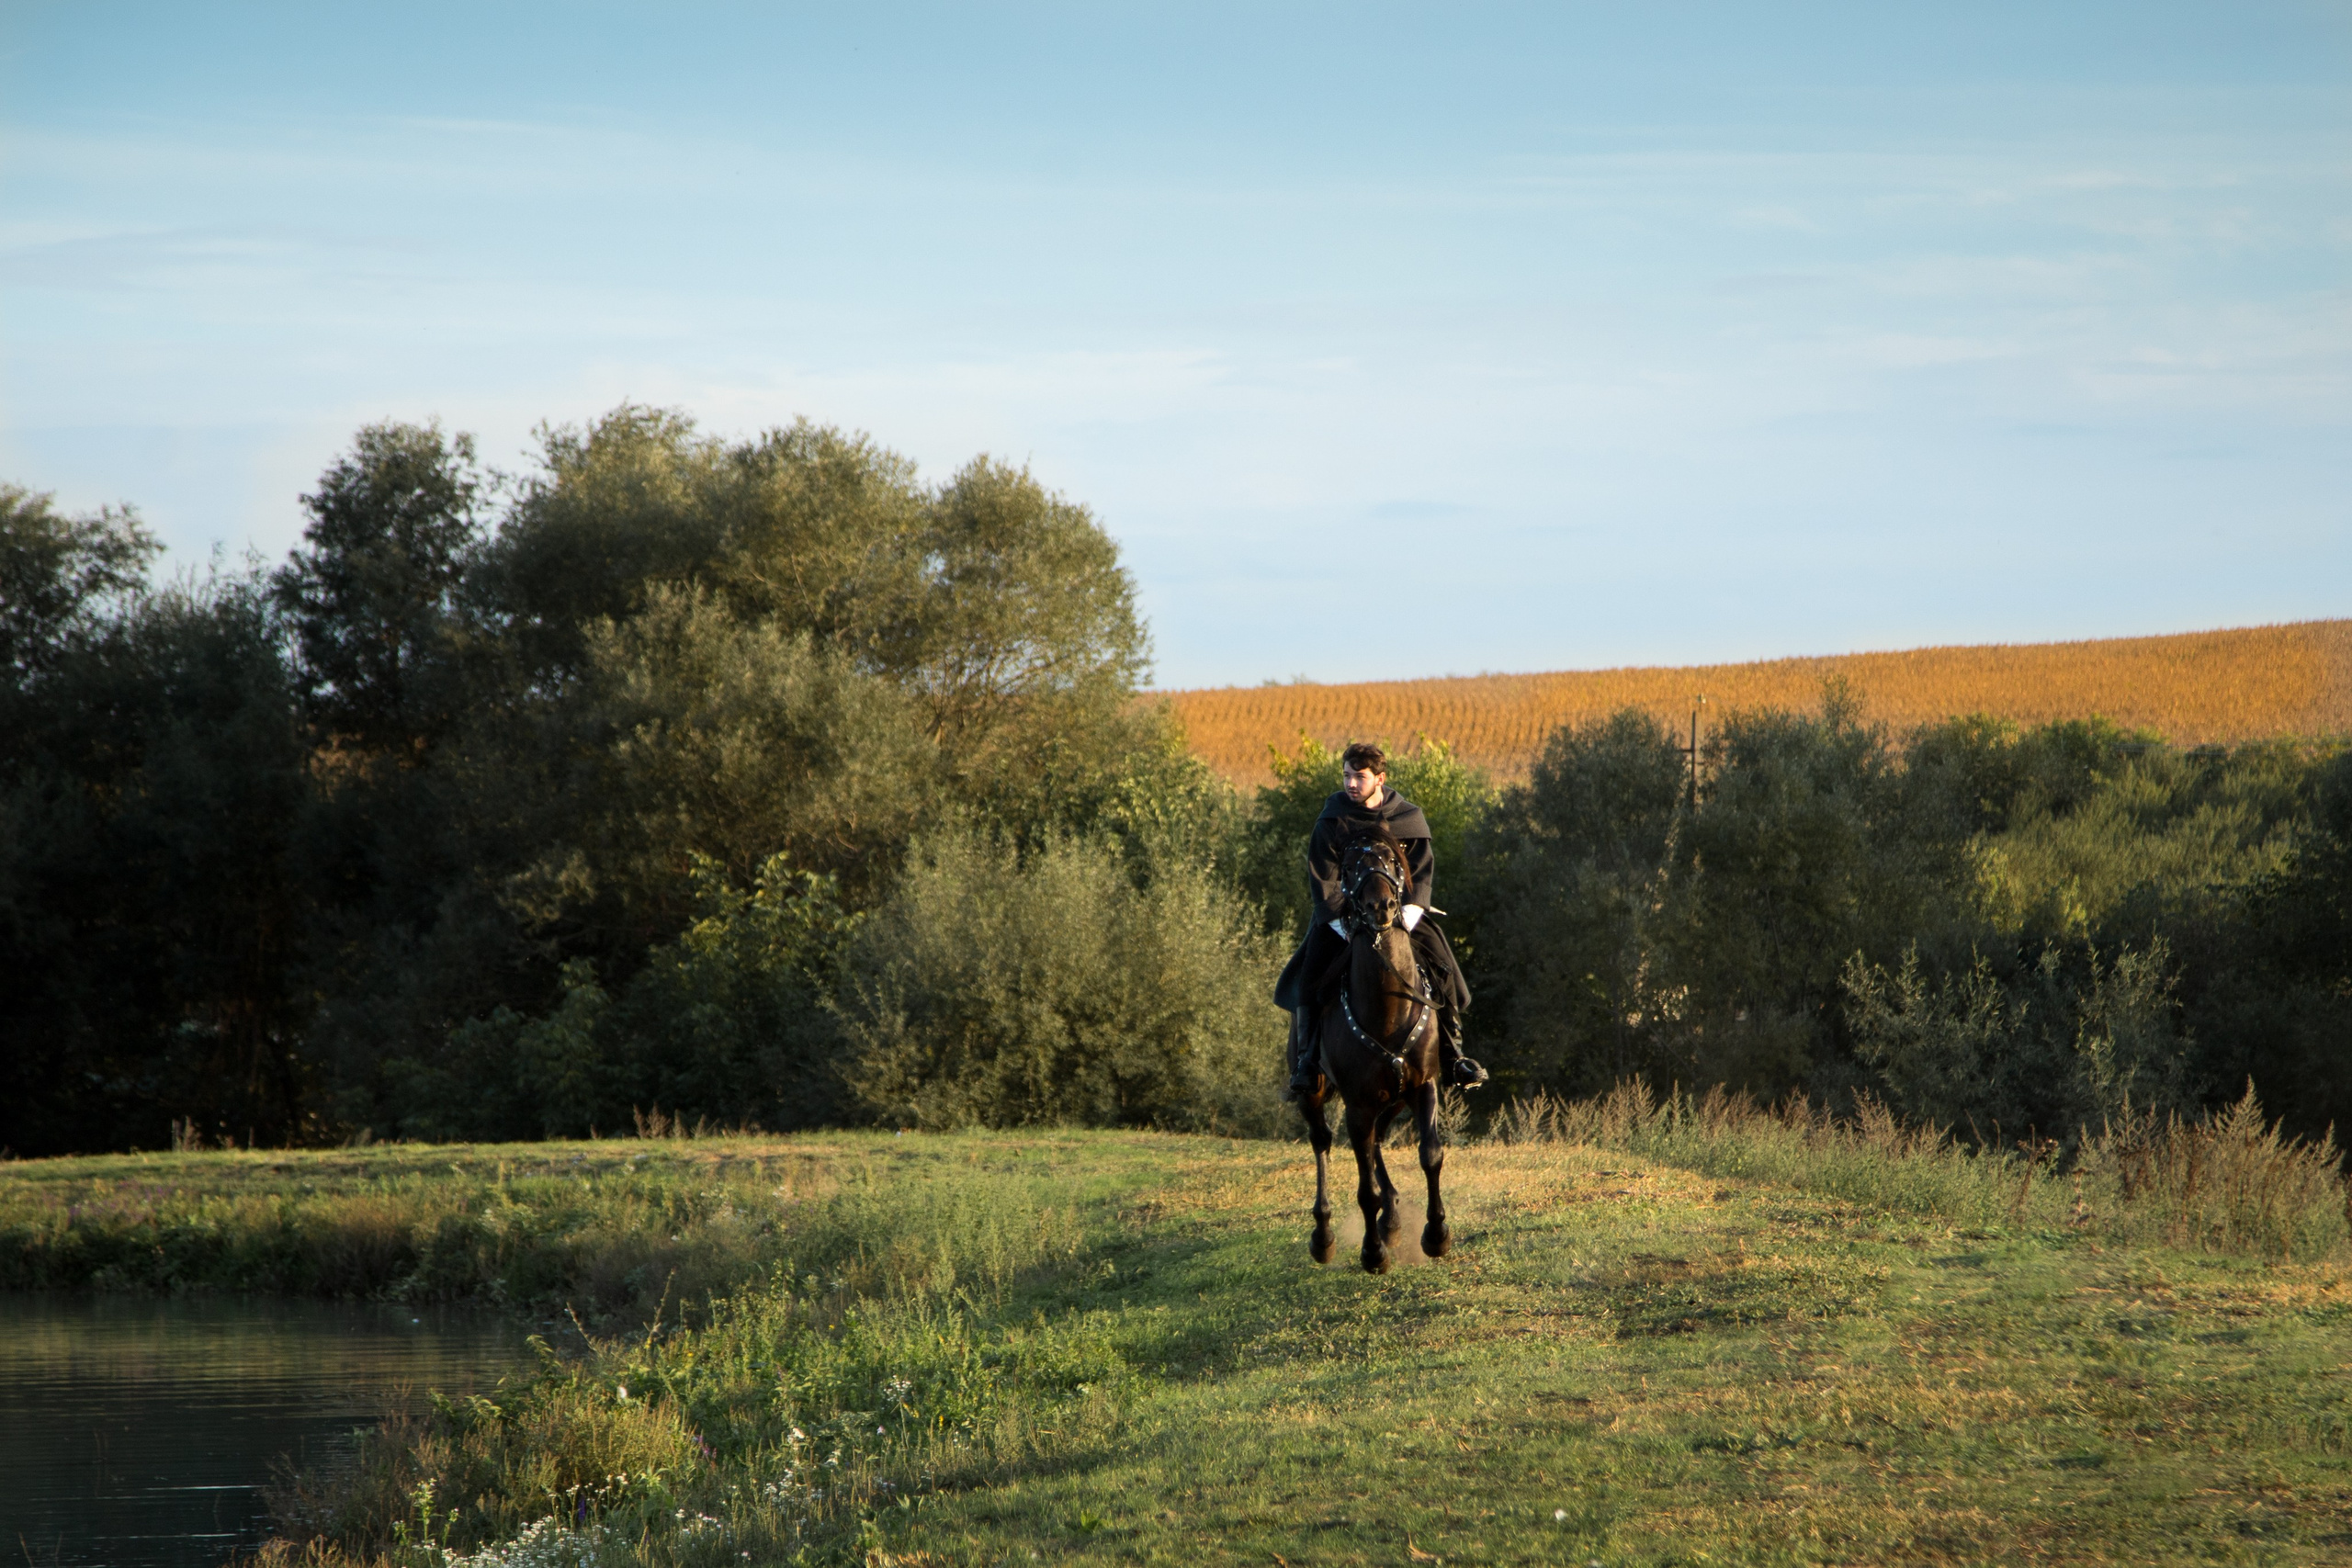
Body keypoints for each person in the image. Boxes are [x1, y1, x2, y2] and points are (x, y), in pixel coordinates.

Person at [1275, 740, 1487, 1100]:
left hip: (1401, 915)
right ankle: (1307, 1062)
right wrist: (1344, 924)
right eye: (1346, 776)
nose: (1351, 784)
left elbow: (1421, 874)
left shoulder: (1408, 818)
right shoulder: (1332, 820)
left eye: (1359, 777)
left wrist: (1408, 912)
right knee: (1309, 974)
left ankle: (1454, 1056)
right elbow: (1323, 880)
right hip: (1342, 920)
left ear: (1380, 778)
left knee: (1442, 966)